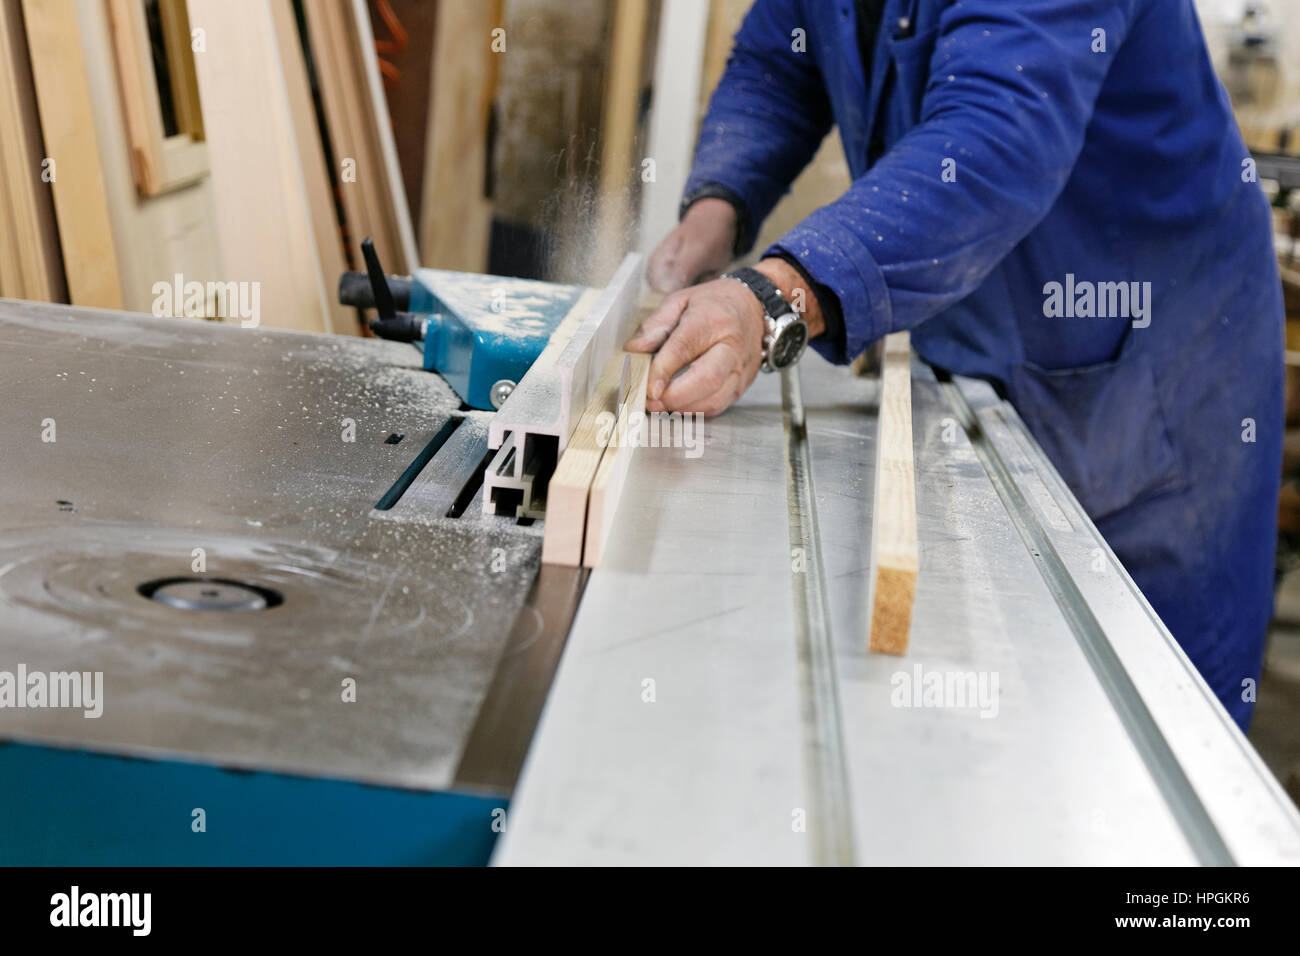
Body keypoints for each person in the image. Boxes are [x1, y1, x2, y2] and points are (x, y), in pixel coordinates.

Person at [626, 0, 1283, 731]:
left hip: (1151, 362)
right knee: (978, 696)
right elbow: (783, 61)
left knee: (1141, 724)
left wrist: (777, 299)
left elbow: (998, 136)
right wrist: (717, 209)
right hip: (984, 325)